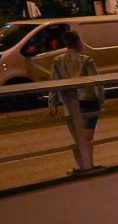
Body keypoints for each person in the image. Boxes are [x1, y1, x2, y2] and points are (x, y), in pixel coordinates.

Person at [40, 30, 103, 167]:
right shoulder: (86, 60)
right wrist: (101, 102)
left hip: (69, 103)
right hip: (88, 101)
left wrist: (52, 104)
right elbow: (97, 83)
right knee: (88, 137)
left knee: (78, 137)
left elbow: (54, 84)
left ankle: (82, 165)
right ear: (78, 43)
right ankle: (88, 165)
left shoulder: (57, 61)